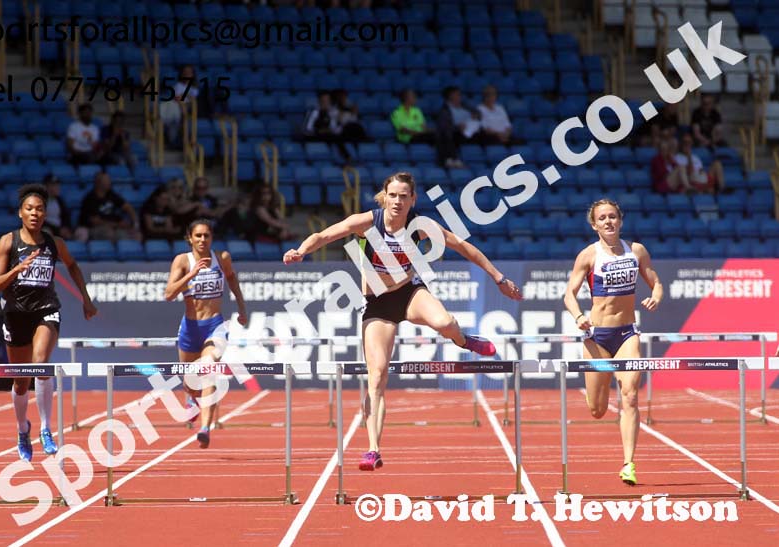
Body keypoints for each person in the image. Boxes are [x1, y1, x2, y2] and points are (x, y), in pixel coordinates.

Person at [282, 172, 522, 471]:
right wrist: (301, 251)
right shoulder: (368, 222)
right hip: (378, 304)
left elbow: (463, 246)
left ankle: (464, 341)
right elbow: (324, 235)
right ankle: (373, 450)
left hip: (409, 293)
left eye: (403, 196)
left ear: (413, 199)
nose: (397, 201)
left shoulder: (421, 226)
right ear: (385, 196)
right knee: (377, 375)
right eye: (392, 195)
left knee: (445, 322)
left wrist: (499, 278)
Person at [0, 184, 98, 462]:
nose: (35, 213)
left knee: (41, 363)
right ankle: (22, 429)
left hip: (45, 310)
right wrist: (17, 270)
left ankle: (46, 429)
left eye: (39, 209)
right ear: (20, 213)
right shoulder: (8, 242)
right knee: (21, 381)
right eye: (29, 209)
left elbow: (72, 265)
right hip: (16, 314)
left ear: (46, 214)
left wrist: (85, 299)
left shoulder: (54, 243)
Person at [563, 199, 664, 486]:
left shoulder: (636, 251)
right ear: (594, 225)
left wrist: (655, 297)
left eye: (612, 217)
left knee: (630, 396)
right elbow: (569, 295)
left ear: (620, 220)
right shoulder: (588, 255)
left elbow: (656, 283)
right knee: (597, 410)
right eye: (602, 218)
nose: (608, 221)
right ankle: (596, 392)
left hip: (627, 334)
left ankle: (629, 463)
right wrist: (578, 316)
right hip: (597, 337)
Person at [164, 219, 249, 448]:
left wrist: (242, 308)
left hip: (215, 326)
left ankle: (205, 428)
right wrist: (191, 274)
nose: (202, 240)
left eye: (206, 236)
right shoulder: (182, 261)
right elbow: (169, 294)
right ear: (190, 238)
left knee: (209, 370)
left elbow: (231, 278)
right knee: (190, 383)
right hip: (190, 328)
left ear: (212, 238)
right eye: (198, 236)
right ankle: (192, 398)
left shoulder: (222, 258)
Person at [77, 172, 141, 242]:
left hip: (115, 227)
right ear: (98, 183)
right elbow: (95, 222)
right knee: (110, 233)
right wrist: (117, 225)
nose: (110, 183)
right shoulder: (90, 199)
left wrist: (135, 224)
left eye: (109, 180)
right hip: (95, 228)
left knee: (133, 235)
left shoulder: (111, 194)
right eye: (107, 181)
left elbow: (128, 207)